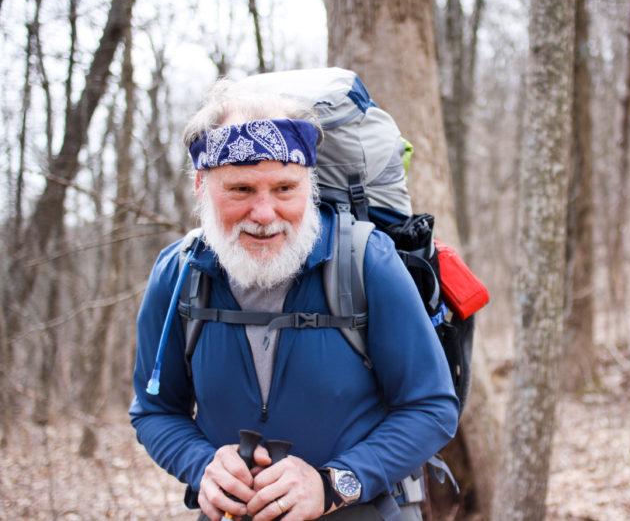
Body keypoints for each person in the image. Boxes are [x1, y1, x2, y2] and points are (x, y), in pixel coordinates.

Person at [129, 78, 459, 521]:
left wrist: (332, 483)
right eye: (241, 190)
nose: (264, 215)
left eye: (285, 189)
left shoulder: (366, 263)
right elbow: (155, 411)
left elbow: (432, 406)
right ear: (201, 186)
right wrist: (201, 465)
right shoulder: (178, 275)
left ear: (310, 184)